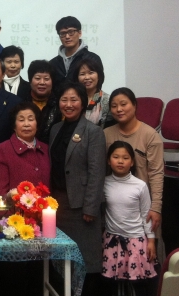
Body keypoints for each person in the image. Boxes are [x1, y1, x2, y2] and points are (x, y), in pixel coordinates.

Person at [48, 81, 106, 296]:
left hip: (82, 208)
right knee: (61, 263)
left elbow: (97, 172)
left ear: (83, 102)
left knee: (86, 261)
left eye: (74, 99)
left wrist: (90, 207)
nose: (69, 104)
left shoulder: (93, 132)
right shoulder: (55, 129)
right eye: (64, 99)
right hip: (58, 205)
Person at [103, 88, 164, 234]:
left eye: (123, 104)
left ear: (135, 105)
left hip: (141, 209)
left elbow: (156, 173)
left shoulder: (150, 135)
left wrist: (156, 207)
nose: (119, 109)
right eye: (114, 106)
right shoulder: (105, 134)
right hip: (113, 211)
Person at [102, 141, 158, 295]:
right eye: (116, 157)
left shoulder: (140, 185)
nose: (120, 161)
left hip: (136, 242)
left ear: (132, 162)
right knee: (114, 286)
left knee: (137, 286)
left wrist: (151, 241)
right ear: (108, 160)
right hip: (112, 242)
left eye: (125, 158)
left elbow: (146, 215)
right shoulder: (104, 183)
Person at [0, 102, 50, 197]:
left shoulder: (45, 148)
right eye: (21, 120)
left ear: (37, 124)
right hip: (15, 206)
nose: (26, 124)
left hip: (46, 205)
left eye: (31, 119)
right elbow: (0, 192)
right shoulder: (3, 149)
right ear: (14, 126)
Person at [48, 16, 102, 86]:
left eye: (71, 32)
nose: (67, 36)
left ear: (80, 33)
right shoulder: (53, 63)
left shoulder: (92, 58)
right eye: (63, 33)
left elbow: (97, 85)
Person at [26, 60, 60, 143]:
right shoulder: (22, 102)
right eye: (37, 78)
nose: (42, 82)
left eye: (46, 79)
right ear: (30, 81)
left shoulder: (60, 104)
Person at [74, 58, 113, 128]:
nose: (87, 77)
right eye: (82, 74)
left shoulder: (107, 100)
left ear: (99, 76)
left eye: (91, 73)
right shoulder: (72, 99)